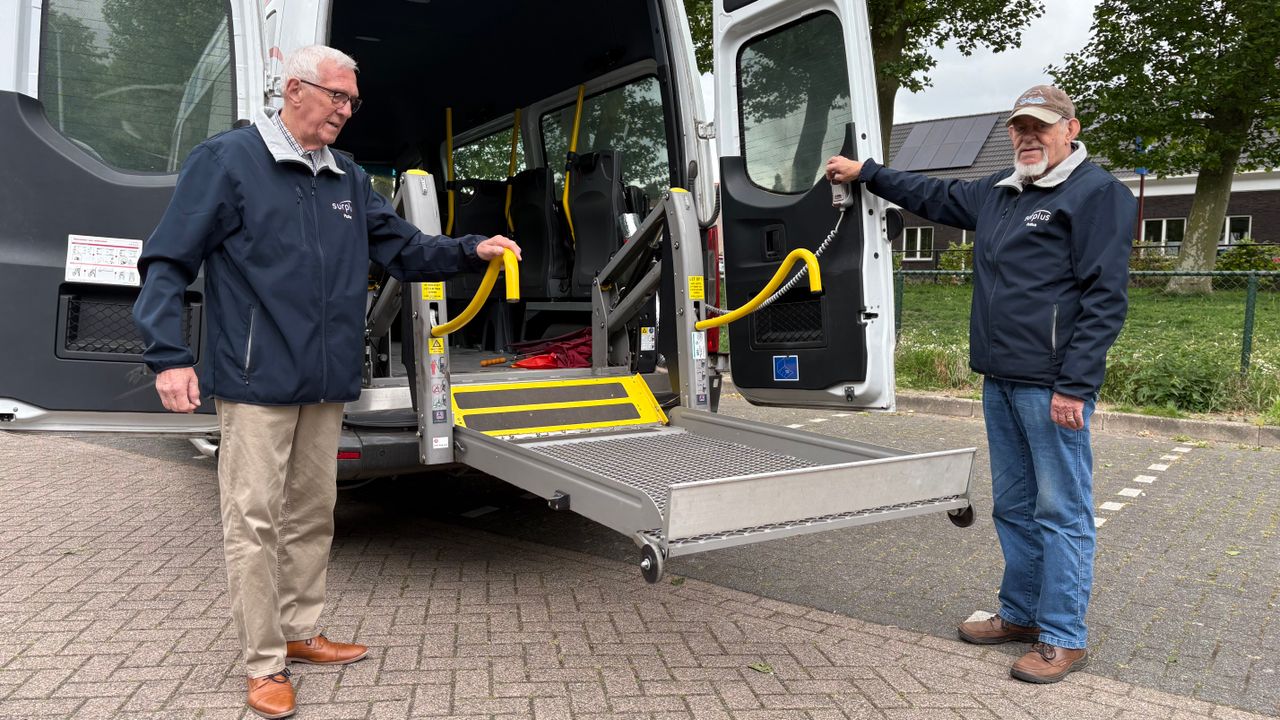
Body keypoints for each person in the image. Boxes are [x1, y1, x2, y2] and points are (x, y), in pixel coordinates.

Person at [133, 45, 520, 719]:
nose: (346, 110)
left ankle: (301, 632)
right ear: (295, 92)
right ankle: (264, 663)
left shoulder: (345, 177)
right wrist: (167, 356)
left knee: (313, 513)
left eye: (351, 101)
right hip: (255, 379)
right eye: (337, 97)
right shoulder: (227, 162)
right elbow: (167, 262)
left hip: (327, 376)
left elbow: (404, 248)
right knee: (253, 521)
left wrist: (469, 248)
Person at [827, 85, 1134, 684]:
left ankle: (1065, 635)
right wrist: (868, 172)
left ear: (1070, 129)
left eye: (1040, 127)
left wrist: (1075, 385)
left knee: (1062, 511)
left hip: (1051, 388)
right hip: (999, 380)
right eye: (1020, 127)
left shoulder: (1097, 193)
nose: (1027, 137)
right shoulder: (1001, 191)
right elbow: (934, 194)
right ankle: (1020, 615)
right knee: (1014, 506)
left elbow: (1105, 300)